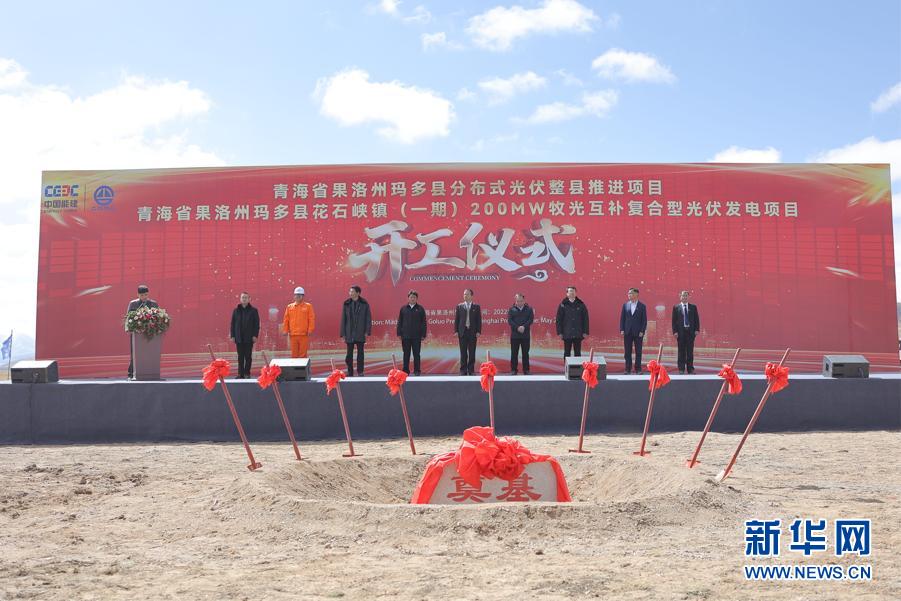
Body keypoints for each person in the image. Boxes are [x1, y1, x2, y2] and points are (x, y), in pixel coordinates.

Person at [126, 284, 159, 379]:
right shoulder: (133, 304)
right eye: (142, 295)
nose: (144, 297)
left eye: (146, 295)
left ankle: (152, 372)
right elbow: (128, 318)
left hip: (150, 333)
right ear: (138, 295)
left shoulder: (153, 304)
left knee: (150, 353)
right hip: (137, 333)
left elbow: (158, 317)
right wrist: (128, 328)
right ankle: (131, 373)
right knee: (135, 354)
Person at [340, 285, 372, 377]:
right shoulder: (346, 303)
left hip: (360, 332)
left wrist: (367, 331)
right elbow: (343, 319)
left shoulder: (364, 303)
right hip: (349, 332)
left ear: (358, 293)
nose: (350, 293)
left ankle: (360, 371)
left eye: (352, 291)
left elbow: (368, 318)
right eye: (350, 291)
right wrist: (343, 333)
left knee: (360, 354)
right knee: (349, 354)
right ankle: (350, 372)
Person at [230, 292, 260, 379]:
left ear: (249, 299)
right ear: (240, 299)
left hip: (249, 337)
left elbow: (256, 324)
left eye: (246, 297)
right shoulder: (236, 311)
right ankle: (240, 374)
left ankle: (247, 373)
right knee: (240, 357)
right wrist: (232, 336)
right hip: (238, 337)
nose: (244, 299)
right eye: (243, 297)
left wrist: (255, 335)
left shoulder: (253, 311)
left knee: (248, 356)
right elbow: (232, 324)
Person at [397, 290, 427, 375]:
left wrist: (423, 334)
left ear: (417, 299)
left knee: (416, 354)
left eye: (414, 297)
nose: (412, 299)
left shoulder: (420, 309)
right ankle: (405, 370)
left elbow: (423, 322)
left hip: (416, 336)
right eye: (411, 297)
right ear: (408, 298)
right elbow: (400, 321)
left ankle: (417, 370)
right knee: (406, 354)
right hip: (405, 336)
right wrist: (399, 333)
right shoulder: (403, 309)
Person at [620, 288, 648, 374]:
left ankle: (638, 369)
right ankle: (627, 369)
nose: (629, 295)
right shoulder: (625, 305)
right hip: (627, 331)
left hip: (638, 332)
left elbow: (644, 320)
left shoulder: (642, 306)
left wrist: (642, 331)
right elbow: (622, 318)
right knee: (627, 352)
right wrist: (622, 329)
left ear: (636, 294)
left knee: (638, 351)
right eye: (628, 293)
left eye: (631, 293)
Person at [672, 290, 700, 374]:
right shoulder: (676, 307)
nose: (684, 297)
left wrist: (697, 329)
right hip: (680, 332)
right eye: (683, 295)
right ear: (680, 296)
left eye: (686, 296)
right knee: (681, 351)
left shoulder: (693, 307)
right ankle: (681, 369)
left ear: (689, 297)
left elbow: (696, 319)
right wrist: (675, 331)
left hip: (690, 332)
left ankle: (690, 369)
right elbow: (674, 321)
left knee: (690, 351)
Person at [454, 288, 481, 375]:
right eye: (464, 294)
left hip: (472, 332)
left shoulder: (476, 307)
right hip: (463, 332)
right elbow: (457, 320)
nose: (465, 296)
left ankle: (471, 370)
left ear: (471, 296)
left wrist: (478, 331)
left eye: (467, 294)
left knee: (472, 352)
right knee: (463, 352)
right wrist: (456, 331)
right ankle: (463, 370)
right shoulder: (460, 306)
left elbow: (478, 320)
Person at [282, 286, 315, 358]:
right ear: (294, 296)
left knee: (303, 355)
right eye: (296, 295)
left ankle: (302, 366)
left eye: (300, 295)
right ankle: (295, 365)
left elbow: (311, 319)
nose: (298, 296)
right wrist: (285, 330)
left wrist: (310, 330)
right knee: (294, 355)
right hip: (293, 335)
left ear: (303, 296)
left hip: (304, 334)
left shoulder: (308, 306)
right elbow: (286, 319)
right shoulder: (289, 307)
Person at [556, 286, 589, 357]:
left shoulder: (581, 304)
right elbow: (559, 319)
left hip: (578, 333)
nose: (572, 293)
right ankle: (566, 365)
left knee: (577, 353)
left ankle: (577, 365)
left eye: (573, 291)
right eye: (570, 291)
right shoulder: (563, 305)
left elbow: (585, 319)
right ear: (567, 293)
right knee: (567, 353)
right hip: (567, 333)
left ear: (576, 293)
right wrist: (560, 332)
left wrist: (585, 331)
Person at [508, 293, 533, 375]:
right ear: (515, 301)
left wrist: (524, 327)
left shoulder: (529, 309)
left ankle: (526, 370)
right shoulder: (511, 309)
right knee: (514, 353)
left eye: (521, 301)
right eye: (518, 301)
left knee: (525, 353)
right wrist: (517, 327)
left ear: (524, 301)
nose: (519, 302)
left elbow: (530, 320)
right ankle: (513, 370)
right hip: (515, 335)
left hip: (525, 335)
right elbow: (510, 321)